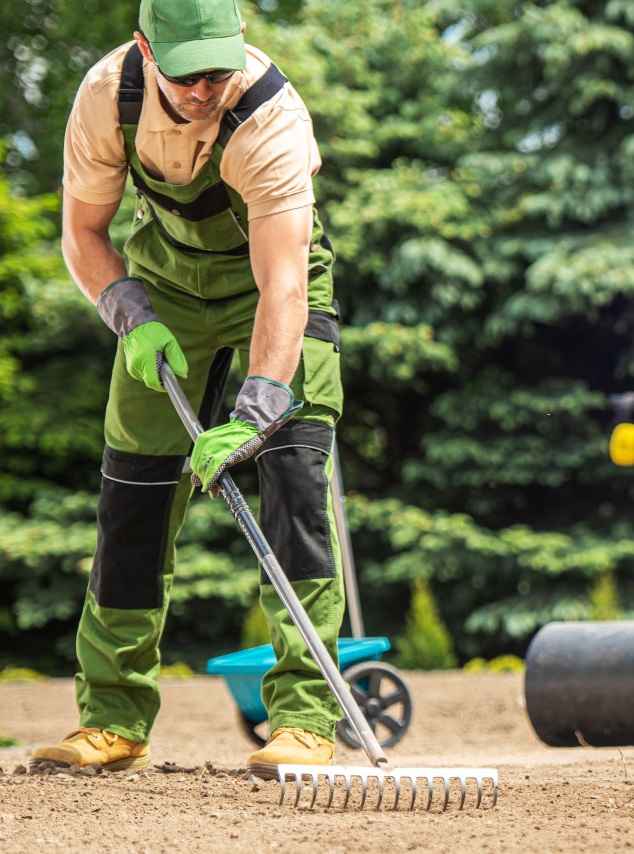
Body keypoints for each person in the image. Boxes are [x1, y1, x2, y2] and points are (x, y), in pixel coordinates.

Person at [31, 0, 345, 779]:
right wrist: (125, 308)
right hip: (164, 290)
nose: (205, 89)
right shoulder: (109, 97)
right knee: (131, 500)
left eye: (218, 69)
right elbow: (83, 234)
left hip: (273, 291)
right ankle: (113, 720)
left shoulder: (270, 115)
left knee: (294, 487)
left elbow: (283, 288)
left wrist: (262, 403)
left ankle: (304, 720)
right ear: (145, 48)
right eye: (186, 73)